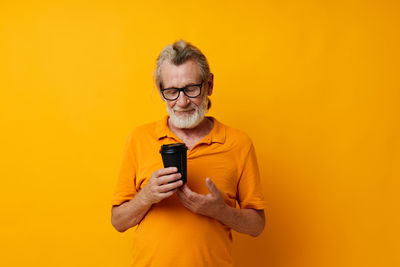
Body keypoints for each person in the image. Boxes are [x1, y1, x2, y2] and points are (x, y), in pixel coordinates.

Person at [111, 40, 265, 267]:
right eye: (171, 91)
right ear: (160, 91)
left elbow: (257, 226)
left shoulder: (238, 143)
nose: (182, 102)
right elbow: (119, 222)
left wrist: (220, 211)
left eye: (191, 89)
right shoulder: (138, 139)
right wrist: (147, 196)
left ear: (209, 85)